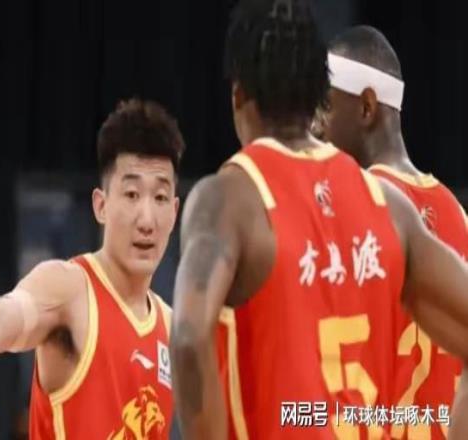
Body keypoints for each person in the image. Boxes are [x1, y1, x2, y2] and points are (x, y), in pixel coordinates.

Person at [169, 1, 468, 439]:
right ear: (315, 95)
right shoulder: (388, 206)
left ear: (238, 96)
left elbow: (188, 339)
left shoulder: (230, 199)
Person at [0, 97, 183, 439]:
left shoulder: (171, 329)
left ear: (174, 212)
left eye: (159, 198)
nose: (147, 220)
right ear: (101, 205)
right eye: (131, 195)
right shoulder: (68, 290)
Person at [322, 25, 468, 439]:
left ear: (366, 107)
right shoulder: (459, 216)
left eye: (323, 107)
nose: (314, 127)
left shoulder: (355, 204)